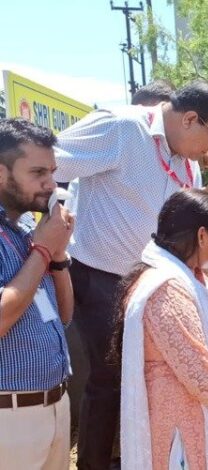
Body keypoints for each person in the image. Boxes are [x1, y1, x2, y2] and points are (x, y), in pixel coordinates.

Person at [54, 80, 208, 469]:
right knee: (109, 379)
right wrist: (56, 226)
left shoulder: (188, 165)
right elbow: (49, 163)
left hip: (153, 286)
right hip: (100, 276)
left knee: (151, 380)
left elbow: (192, 238)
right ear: (190, 118)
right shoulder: (121, 127)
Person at [115, 189, 208, 470]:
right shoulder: (166, 289)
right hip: (181, 431)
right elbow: (197, 370)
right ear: (202, 235)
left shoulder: (194, 281)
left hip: (200, 421)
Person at [0, 119, 75, 470]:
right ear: (2, 174)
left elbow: (65, 315)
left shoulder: (31, 227)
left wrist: (56, 255)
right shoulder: (35, 239)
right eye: (38, 172)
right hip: (10, 419)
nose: (51, 183)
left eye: (53, 171)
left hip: (56, 404)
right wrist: (43, 252)